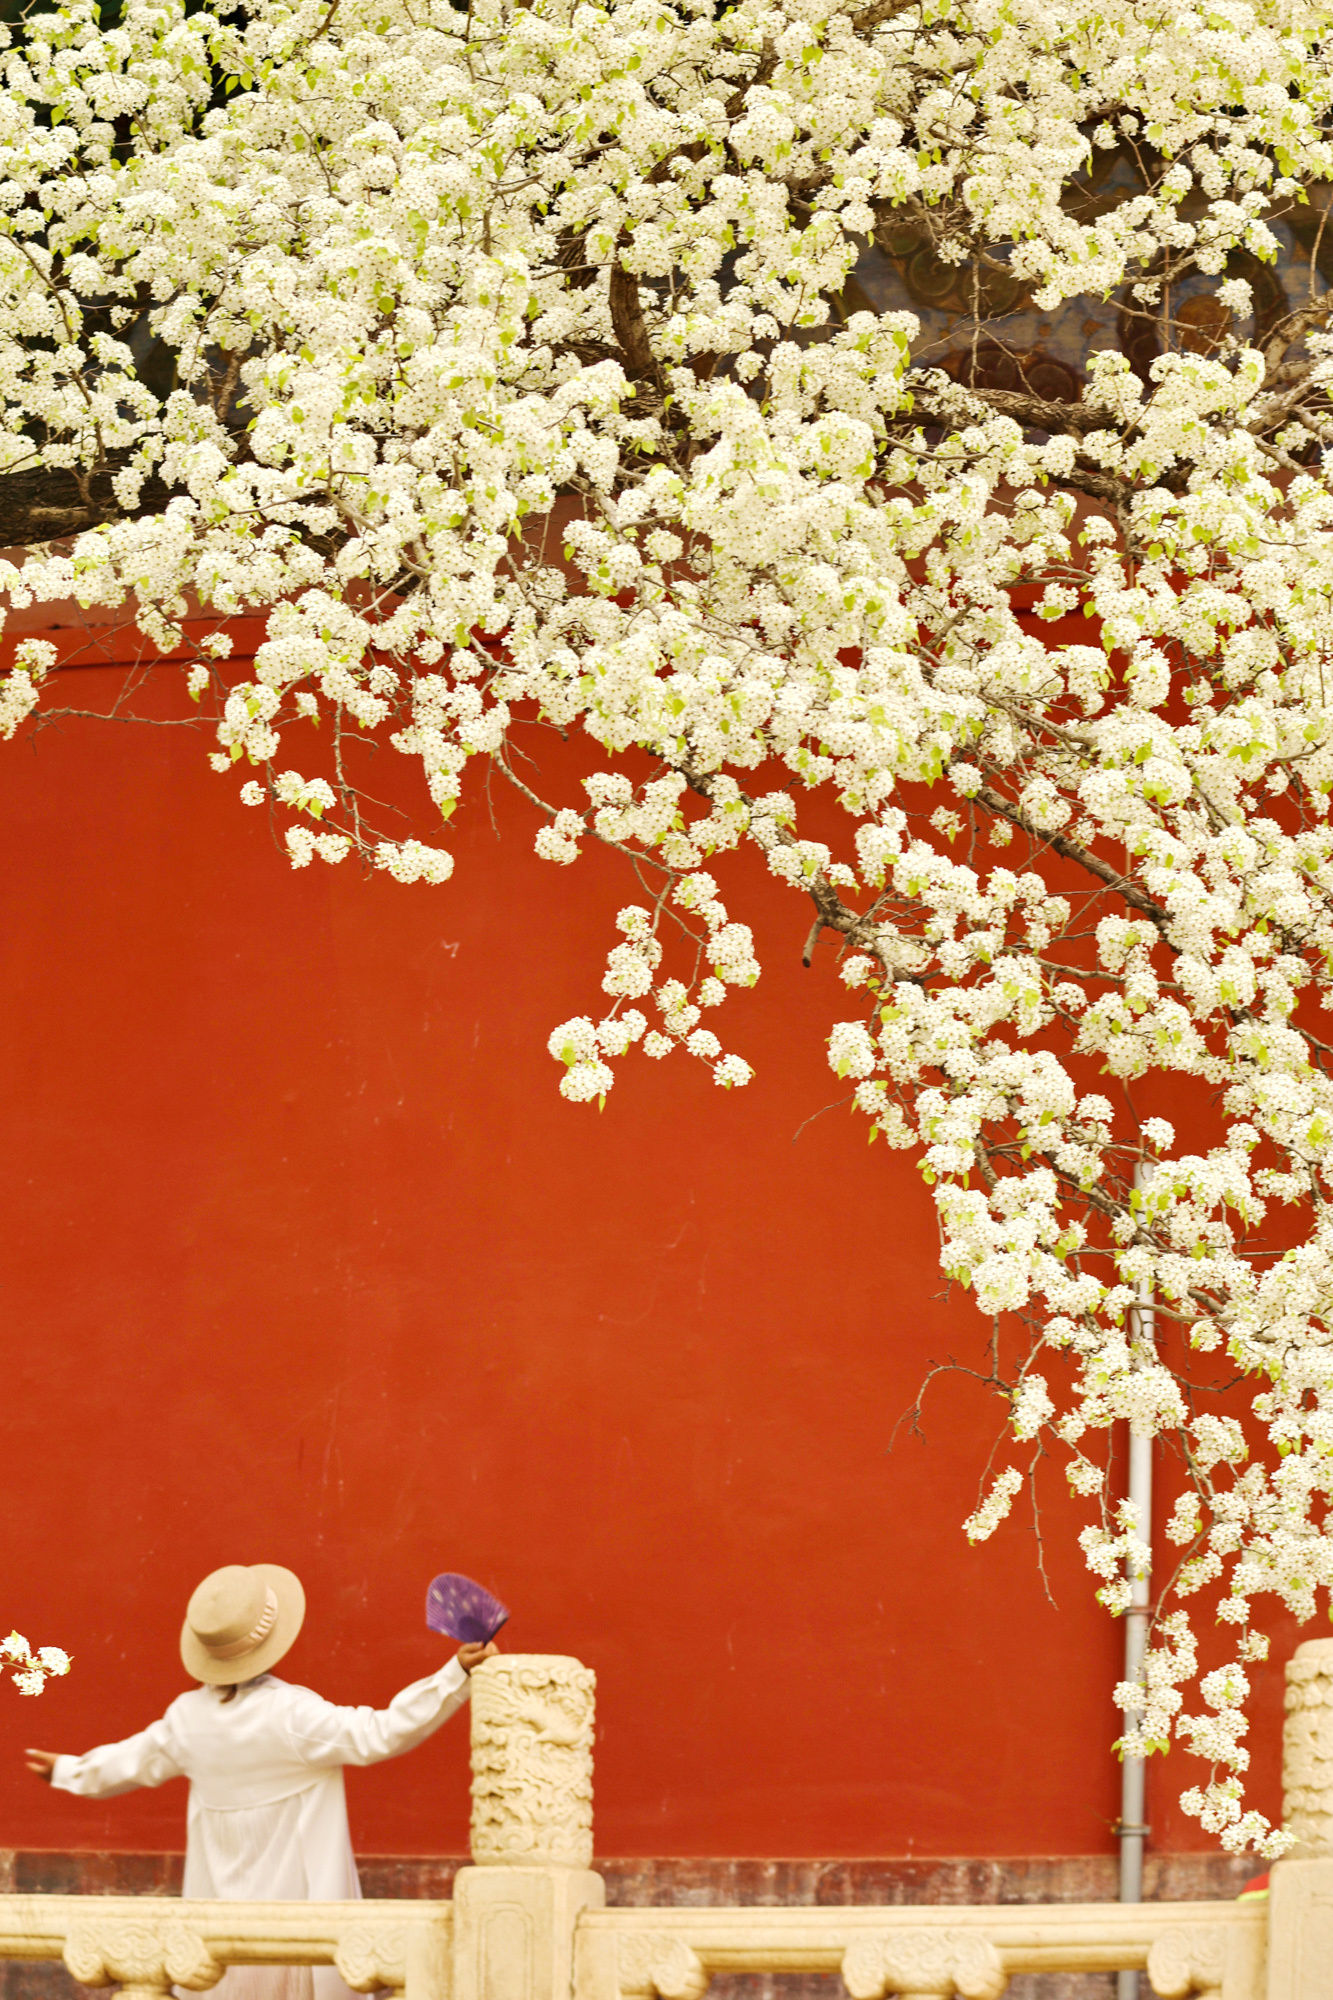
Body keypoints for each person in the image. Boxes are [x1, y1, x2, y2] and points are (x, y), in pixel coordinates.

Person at [23, 1563, 495, 2000]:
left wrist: (67, 1770)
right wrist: (455, 1675)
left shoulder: (187, 1719)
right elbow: (381, 1732)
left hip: (220, 1936)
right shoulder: (291, 1715)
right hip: (299, 1928)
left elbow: (128, 1761)